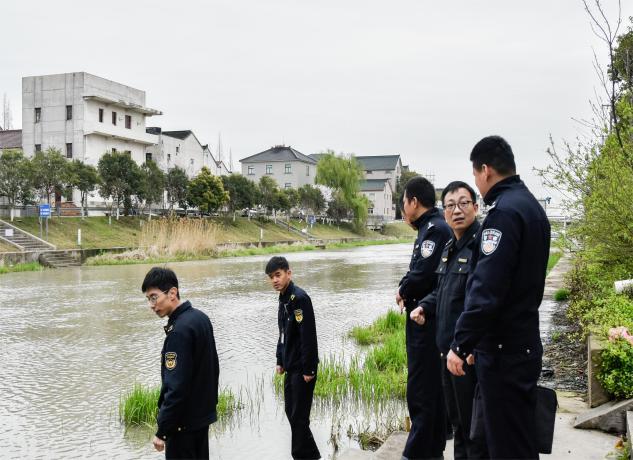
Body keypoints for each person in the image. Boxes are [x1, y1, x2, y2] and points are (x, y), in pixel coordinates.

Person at [447, 136, 551, 459]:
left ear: (486, 170)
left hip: (505, 353)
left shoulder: (503, 215)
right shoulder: (532, 208)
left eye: (476, 175)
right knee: (520, 442)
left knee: (506, 446)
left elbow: (487, 290)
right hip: (523, 342)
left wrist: (461, 344)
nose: (477, 183)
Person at [411, 181, 488, 459]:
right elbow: (443, 290)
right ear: (444, 213)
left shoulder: (481, 247)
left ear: (476, 207)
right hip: (447, 354)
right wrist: (425, 307)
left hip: (466, 357)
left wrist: (470, 347)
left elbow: (482, 301)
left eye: (464, 203)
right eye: (451, 205)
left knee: (474, 430)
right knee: (457, 426)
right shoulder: (449, 247)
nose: (457, 210)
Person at [397, 176, 452, 460]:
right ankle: (432, 448)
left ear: (414, 202)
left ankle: (417, 451)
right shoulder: (430, 228)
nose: (403, 208)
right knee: (428, 385)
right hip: (424, 316)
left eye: (403, 202)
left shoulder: (434, 229)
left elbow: (422, 274)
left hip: (425, 319)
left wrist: (403, 288)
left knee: (421, 388)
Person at [141, 267, 220, 460]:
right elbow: (213, 369)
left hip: (182, 426)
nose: (151, 305)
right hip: (201, 420)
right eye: (148, 299)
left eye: (153, 297)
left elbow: (176, 388)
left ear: (172, 293)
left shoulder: (179, 332)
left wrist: (162, 431)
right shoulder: (200, 318)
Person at [266, 256, 321, 460]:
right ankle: (312, 456)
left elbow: (308, 336)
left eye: (278, 275)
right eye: (271, 277)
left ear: (289, 273)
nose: (274, 280)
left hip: (302, 369)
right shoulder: (283, 299)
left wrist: (309, 369)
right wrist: (279, 360)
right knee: (292, 413)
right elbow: (282, 333)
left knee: (299, 417)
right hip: (290, 367)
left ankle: (301, 456)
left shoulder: (299, 298)